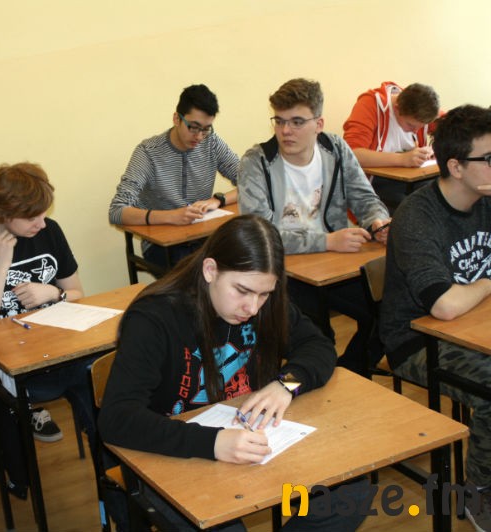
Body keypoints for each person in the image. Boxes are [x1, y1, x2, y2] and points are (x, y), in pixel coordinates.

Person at [99, 215, 370, 531]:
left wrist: (286, 385)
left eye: (264, 294)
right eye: (242, 291)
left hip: (249, 445)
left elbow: (318, 346)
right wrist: (212, 443)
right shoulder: (155, 317)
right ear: (210, 270)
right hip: (172, 455)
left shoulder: (264, 302)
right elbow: (117, 419)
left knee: (351, 494)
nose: (253, 308)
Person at [0, 161, 94, 499]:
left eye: (43, 214)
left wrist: (53, 293)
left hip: (60, 350)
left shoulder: (49, 231)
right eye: (32, 218)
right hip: (7, 362)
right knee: (18, 459)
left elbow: (79, 294)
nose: (41, 223)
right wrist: (0, 265)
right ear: (3, 214)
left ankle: (110, 472)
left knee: (101, 390)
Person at [380, 104, 491, 530]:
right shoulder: (418, 216)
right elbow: (443, 305)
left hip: (473, 324)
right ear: (456, 167)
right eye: (489, 158)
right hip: (418, 341)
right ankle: (479, 494)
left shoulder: (485, 197)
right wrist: (488, 283)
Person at [238, 78, 391, 374]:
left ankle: (349, 373)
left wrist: (376, 220)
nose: (285, 131)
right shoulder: (257, 161)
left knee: (390, 312)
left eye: (297, 122)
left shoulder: (335, 148)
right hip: (284, 271)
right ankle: (327, 374)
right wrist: (327, 241)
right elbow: (260, 234)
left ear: (318, 124)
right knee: (318, 340)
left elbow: (364, 197)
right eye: (279, 121)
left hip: (334, 264)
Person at [108, 84, 240, 267]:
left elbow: (253, 183)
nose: (199, 136)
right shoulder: (148, 152)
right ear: (177, 119)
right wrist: (172, 216)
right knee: (200, 274)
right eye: (193, 127)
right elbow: (117, 211)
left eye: (206, 129)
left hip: (204, 237)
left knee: (246, 262)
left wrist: (218, 200)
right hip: (164, 246)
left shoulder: (211, 143)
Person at [343, 82, 440, 212]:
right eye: (411, 125)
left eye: (422, 127)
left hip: (413, 178)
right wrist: (402, 159)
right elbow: (352, 154)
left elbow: (453, 126)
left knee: (439, 198)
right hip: (374, 183)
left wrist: (435, 148)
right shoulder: (370, 105)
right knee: (412, 209)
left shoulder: (420, 104)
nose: (416, 131)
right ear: (396, 109)